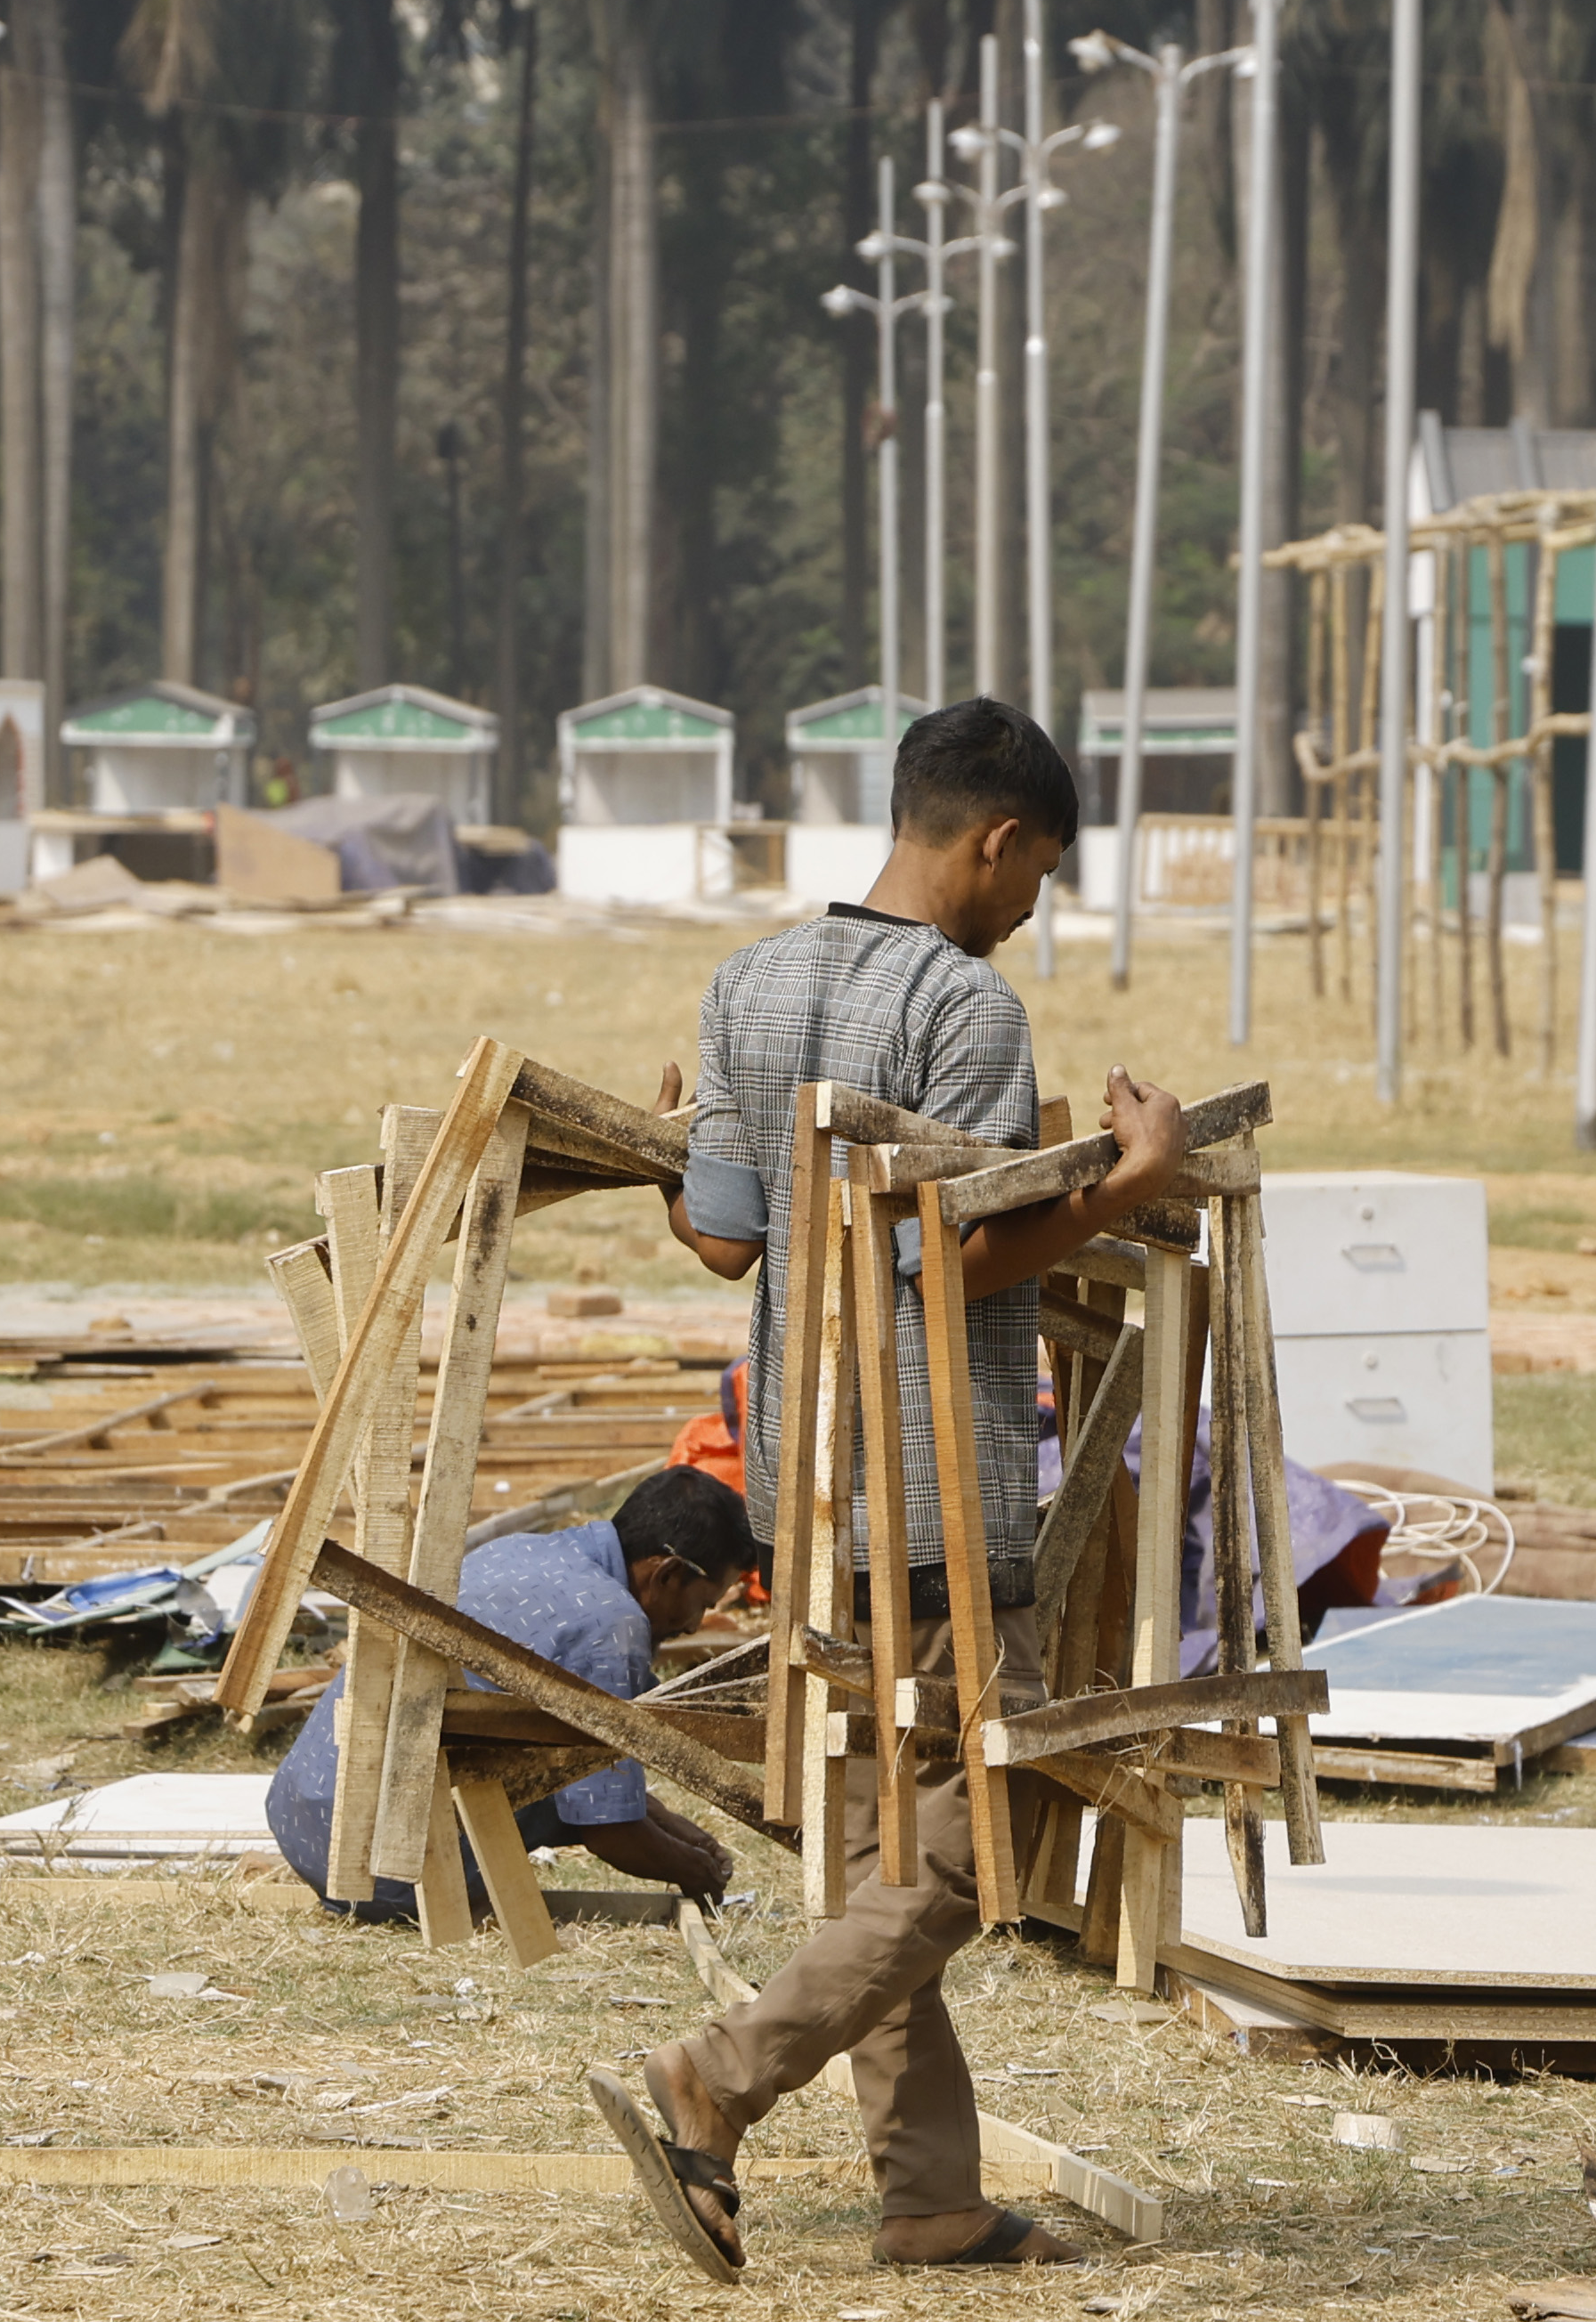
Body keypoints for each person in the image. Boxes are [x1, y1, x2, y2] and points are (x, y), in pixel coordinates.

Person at [586, 695, 1190, 2280]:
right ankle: (715, 2079)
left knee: (882, 1858)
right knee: (1001, 1821)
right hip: (939, 1489)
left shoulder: (748, 982)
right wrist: (1130, 1184)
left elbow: (720, 1238)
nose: (1032, 908)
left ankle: (927, 2198)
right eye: (1039, 874)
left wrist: (674, 1150)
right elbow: (961, 1254)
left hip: (804, 1487)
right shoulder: (964, 1009)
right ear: (994, 841)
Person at [270, 1463, 754, 1918]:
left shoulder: (521, 1548)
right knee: (579, 1790)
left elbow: (588, 1769)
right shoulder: (612, 1623)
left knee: (568, 1765)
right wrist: (698, 1873)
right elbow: (608, 1828)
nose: (694, 1626)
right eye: (702, 1605)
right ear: (667, 1573)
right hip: (381, 1873)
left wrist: (674, 1828)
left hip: (304, 1823)